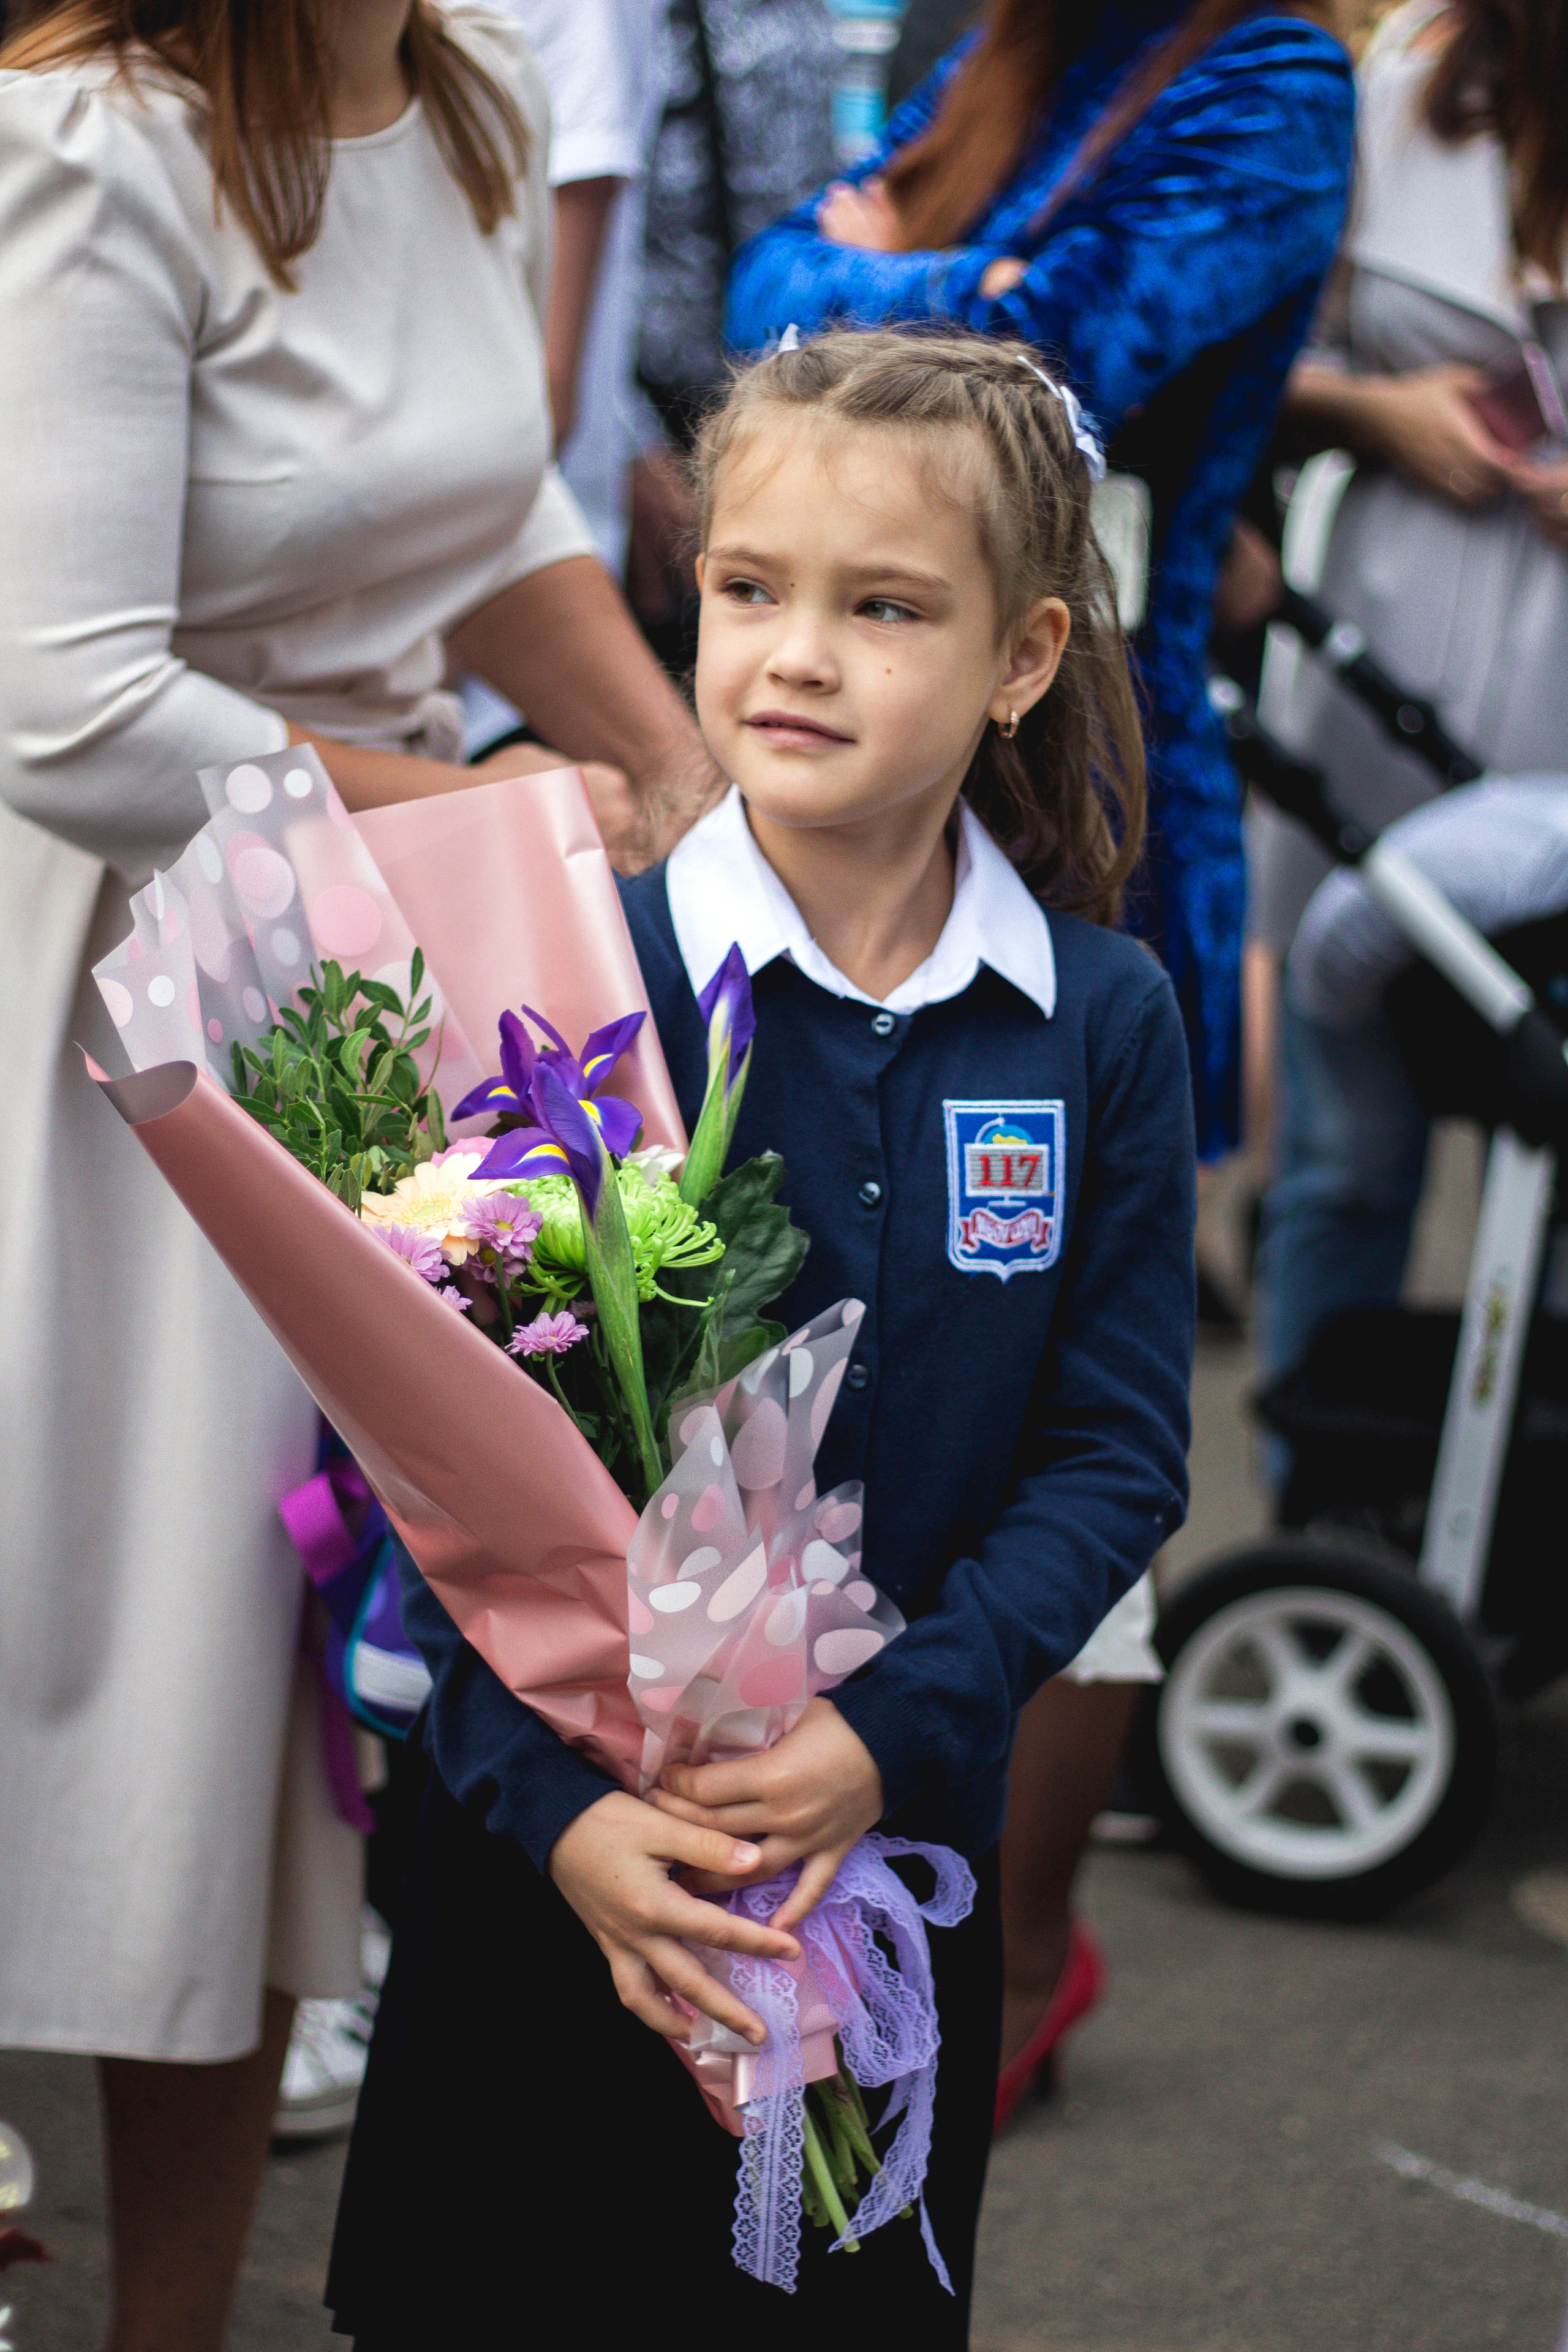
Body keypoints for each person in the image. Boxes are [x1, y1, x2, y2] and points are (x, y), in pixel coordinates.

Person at [326, 323, 1196, 2343]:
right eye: (745, 589)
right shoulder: (569, 985)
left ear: (1021, 661)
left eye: (884, 606)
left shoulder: (1096, 1026)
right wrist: (567, 1826)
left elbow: (1116, 1454)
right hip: (558, 1894)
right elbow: (438, 1468)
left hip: (871, 1887)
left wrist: (887, 1737)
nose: (794, 653)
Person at [0, 2, 717, 2345]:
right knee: (118, 1669)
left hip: (399, 974)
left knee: (267, 1726)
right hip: (112, 995)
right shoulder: (89, 144)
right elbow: (70, 702)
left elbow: (491, 514)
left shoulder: (471, 94)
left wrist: (685, 771)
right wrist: (491, 824)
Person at [722, 0, 1351, 2102]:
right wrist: (934, 287)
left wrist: (881, 260)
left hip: (1082, 823)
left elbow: (1058, 352)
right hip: (864, 798)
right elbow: (767, 310)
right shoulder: (1007, 56)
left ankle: (1007, 1952)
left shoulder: (1266, 73)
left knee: (1047, 1397)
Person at [1249, 0, 1568, 1384]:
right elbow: (1253, 358)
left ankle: (1518, 1533)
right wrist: (1379, 413)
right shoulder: (1404, 85)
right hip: (1383, 675)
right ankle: (1322, 1499)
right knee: (1341, 1160)